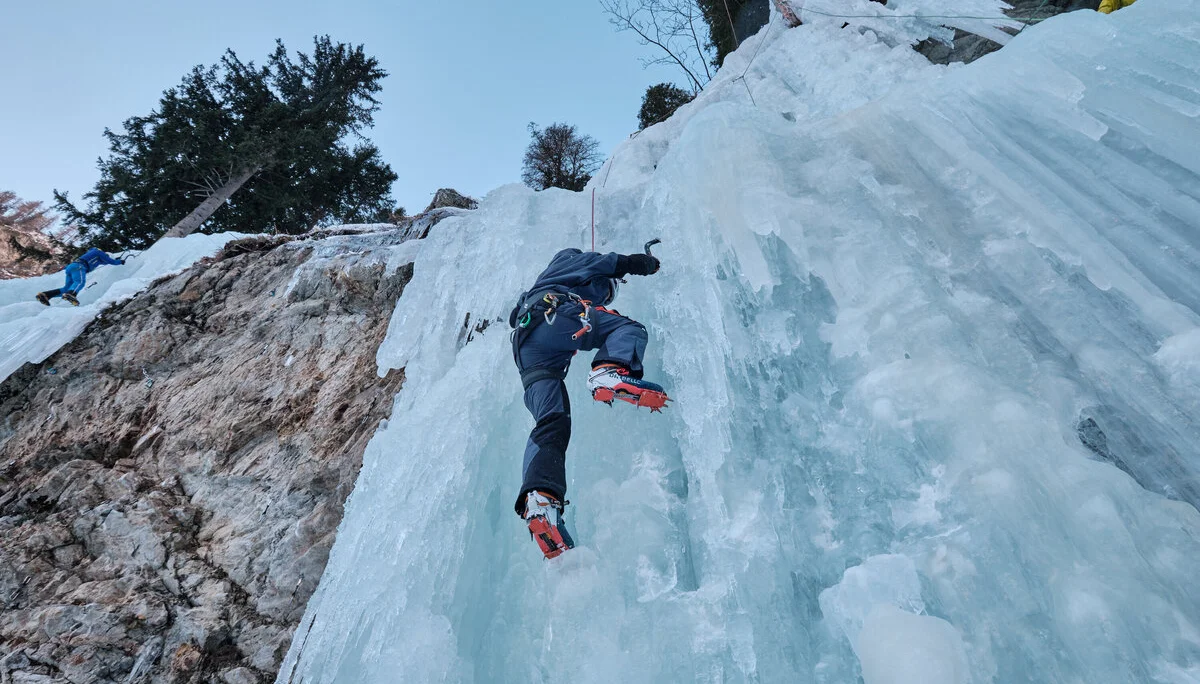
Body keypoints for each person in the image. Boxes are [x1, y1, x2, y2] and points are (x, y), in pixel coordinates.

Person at [508, 247, 669, 558]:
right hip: (552, 315)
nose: (602, 301)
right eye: (604, 295)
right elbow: (601, 262)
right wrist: (636, 264)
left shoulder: (538, 287)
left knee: (552, 423)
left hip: (529, 352)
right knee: (628, 328)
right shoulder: (568, 262)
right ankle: (609, 371)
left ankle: (540, 499)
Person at [36, 247, 125, 306]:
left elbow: (105, 262)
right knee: (80, 282)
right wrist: (120, 262)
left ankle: (45, 295)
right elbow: (109, 261)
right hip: (79, 267)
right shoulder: (98, 252)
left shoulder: (93, 257)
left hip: (71, 267)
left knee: (66, 288)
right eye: (106, 256)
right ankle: (71, 294)